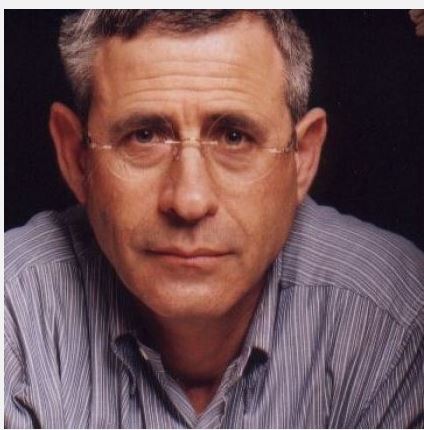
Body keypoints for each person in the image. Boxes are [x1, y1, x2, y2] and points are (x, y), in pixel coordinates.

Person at [4, 10, 423, 429]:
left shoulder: (400, 319)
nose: (189, 201)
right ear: (77, 159)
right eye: (144, 136)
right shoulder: (14, 307)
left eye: (234, 137)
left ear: (302, 159)